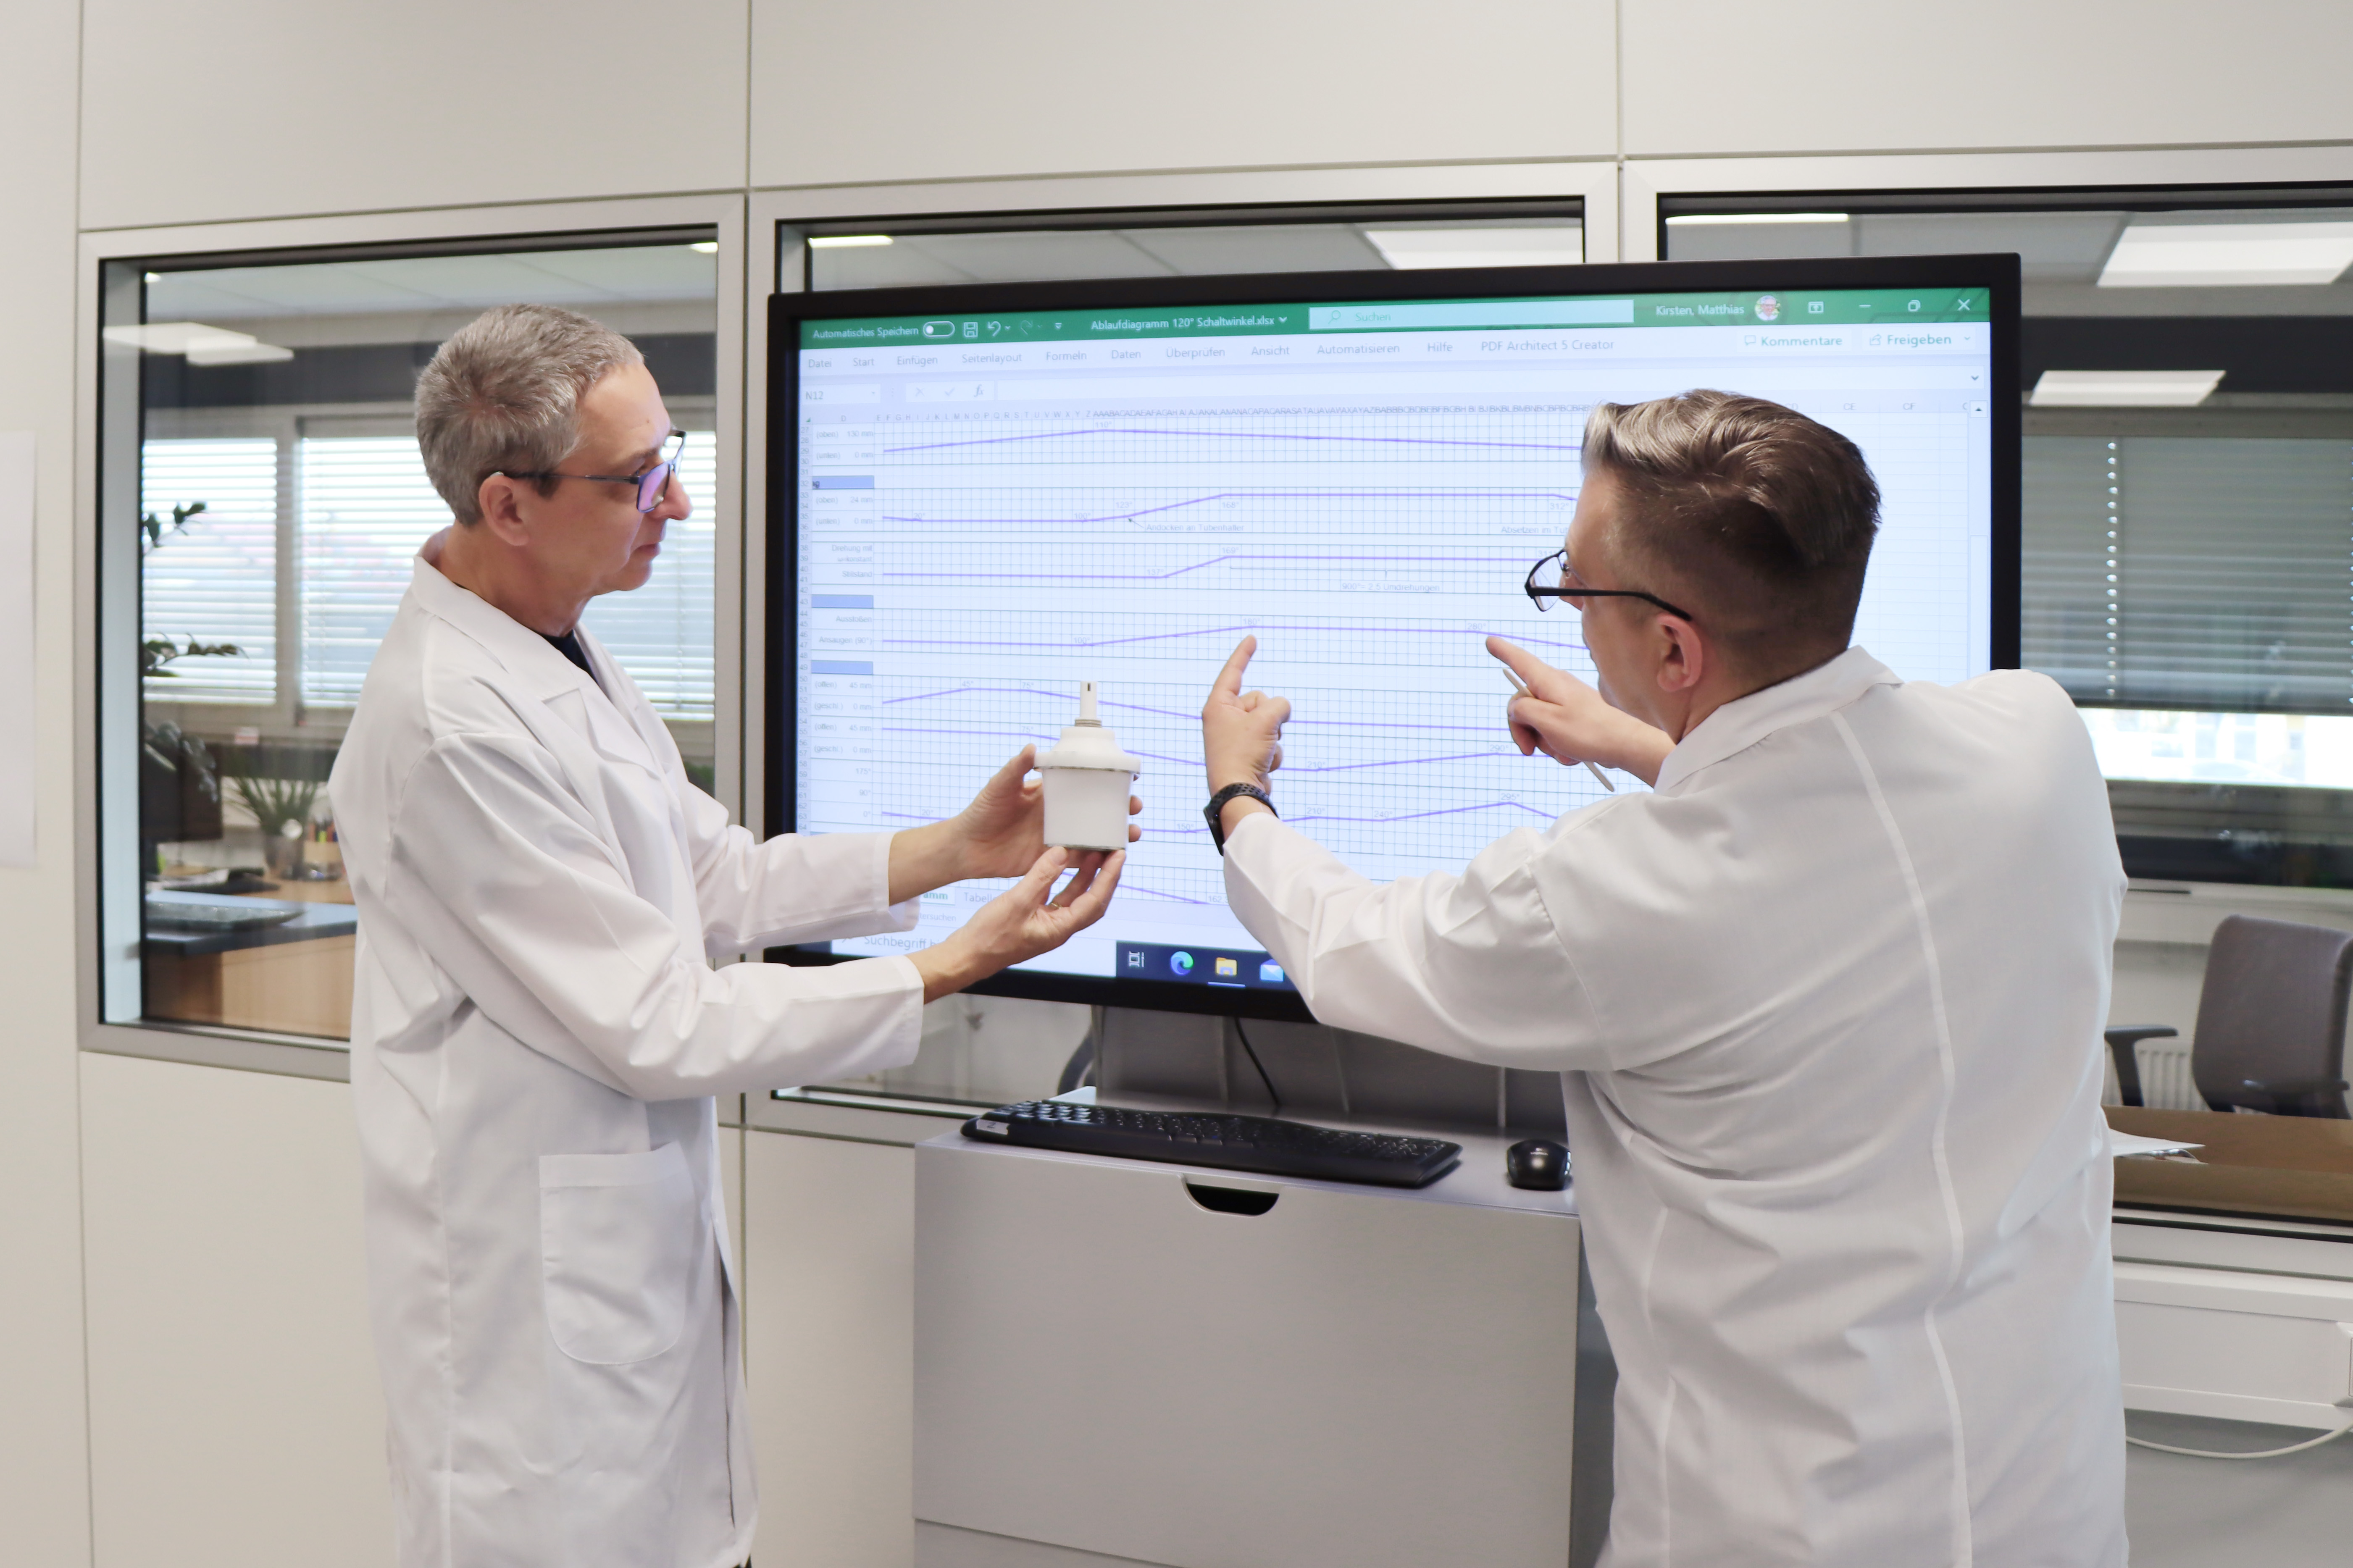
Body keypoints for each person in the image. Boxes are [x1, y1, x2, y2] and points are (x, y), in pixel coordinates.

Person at [1197, 390, 2126, 1567]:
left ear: (1674, 646)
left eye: (1574, 586)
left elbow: (1350, 945)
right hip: (2043, 1507)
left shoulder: (1617, 894)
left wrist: (1237, 795)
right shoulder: (2032, 737)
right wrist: (1651, 740)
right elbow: (1836, 810)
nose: (1570, 613)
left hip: (1783, 1531)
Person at [327, 303, 1130, 1568]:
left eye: (672, 458)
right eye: (638, 479)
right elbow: (660, 1021)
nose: (678, 505)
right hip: (531, 1369)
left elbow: (710, 877)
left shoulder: (552, 645)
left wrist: (954, 849)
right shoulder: (454, 726)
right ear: (510, 504)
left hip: (615, 1299)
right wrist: (956, 960)